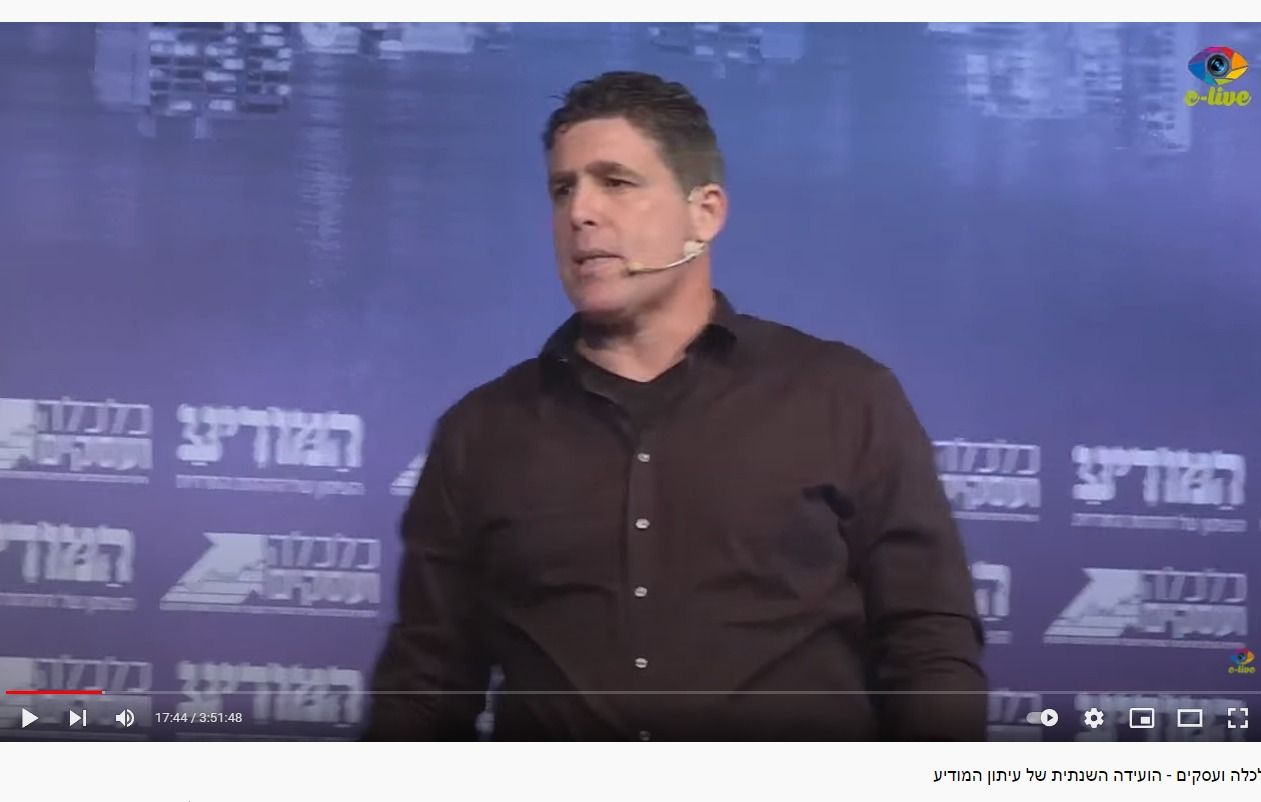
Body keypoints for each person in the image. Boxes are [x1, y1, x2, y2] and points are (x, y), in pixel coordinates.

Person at [363, 71, 986, 741]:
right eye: (562, 189)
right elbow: (426, 686)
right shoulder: (481, 433)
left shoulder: (844, 397)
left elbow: (928, 644)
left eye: (616, 182)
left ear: (705, 213)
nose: (580, 213)